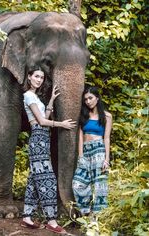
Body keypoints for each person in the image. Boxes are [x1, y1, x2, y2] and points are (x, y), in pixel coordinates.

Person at [21, 66, 76, 234]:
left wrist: (51, 100)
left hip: (43, 139)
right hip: (38, 139)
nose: (39, 80)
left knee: (34, 180)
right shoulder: (28, 95)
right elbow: (42, 122)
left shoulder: (36, 97)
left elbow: (44, 116)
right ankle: (52, 221)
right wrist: (62, 124)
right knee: (48, 179)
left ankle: (27, 217)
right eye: (36, 76)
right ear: (29, 77)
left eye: (42, 78)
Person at [72, 86, 112, 219]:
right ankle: (87, 212)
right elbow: (80, 136)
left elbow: (106, 137)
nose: (88, 101)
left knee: (100, 185)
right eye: (86, 99)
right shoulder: (84, 115)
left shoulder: (106, 116)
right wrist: (80, 155)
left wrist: (107, 159)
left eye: (91, 98)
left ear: (97, 98)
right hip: (86, 151)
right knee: (78, 183)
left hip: (99, 150)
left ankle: (97, 217)